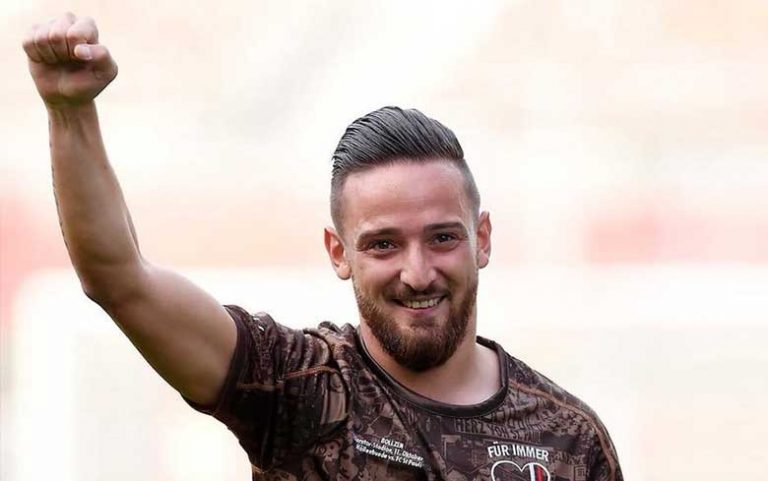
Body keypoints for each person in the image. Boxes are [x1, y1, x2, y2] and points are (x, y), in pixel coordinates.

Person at [23, 12, 623, 481]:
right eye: (383, 245)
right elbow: (118, 279)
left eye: (442, 238)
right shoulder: (299, 387)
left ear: (482, 239)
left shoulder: (569, 440)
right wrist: (70, 112)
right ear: (339, 253)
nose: (418, 272)